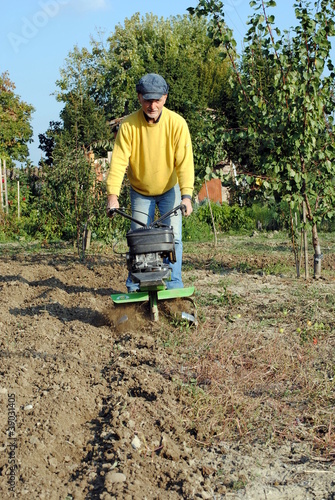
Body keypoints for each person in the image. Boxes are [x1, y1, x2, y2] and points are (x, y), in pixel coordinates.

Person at [106, 73, 194, 292]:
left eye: (157, 100)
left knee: (173, 238)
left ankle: (173, 284)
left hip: (168, 189)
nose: (152, 105)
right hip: (140, 190)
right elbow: (118, 163)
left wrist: (187, 195)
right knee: (138, 237)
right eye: (147, 100)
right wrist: (112, 197)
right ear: (139, 98)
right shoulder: (128, 126)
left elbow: (184, 163)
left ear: (164, 98)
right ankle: (136, 286)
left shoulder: (177, 124)